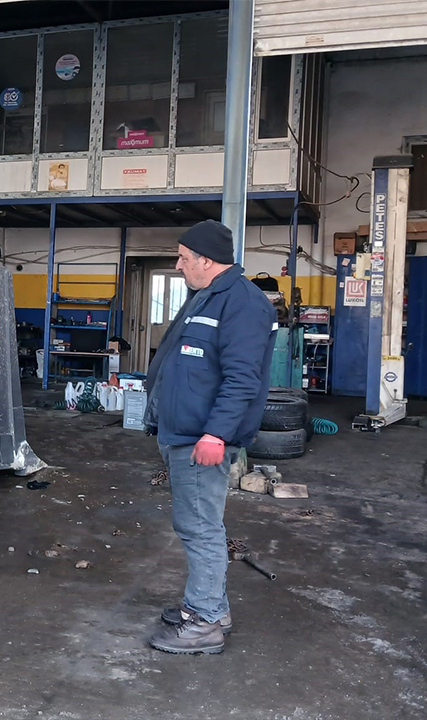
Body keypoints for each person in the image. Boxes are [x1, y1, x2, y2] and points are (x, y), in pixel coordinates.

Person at [142, 220, 276, 655]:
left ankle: (202, 622)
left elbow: (242, 379)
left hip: (202, 438)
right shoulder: (207, 296)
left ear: (206, 259)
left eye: (183, 257)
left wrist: (216, 433)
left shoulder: (243, 304)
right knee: (200, 525)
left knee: (199, 528)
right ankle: (212, 608)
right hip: (182, 432)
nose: (178, 265)